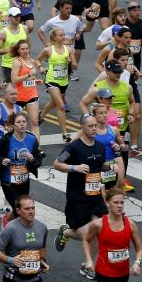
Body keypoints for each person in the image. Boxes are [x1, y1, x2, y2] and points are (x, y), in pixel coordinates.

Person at [52, 113, 110, 273]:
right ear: (82, 128)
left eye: (95, 126)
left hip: (96, 196)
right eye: (90, 126)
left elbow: (99, 165)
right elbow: (56, 164)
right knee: (88, 235)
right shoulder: (73, 147)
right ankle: (67, 232)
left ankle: (87, 265)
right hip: (77, 197)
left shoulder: (99, 146)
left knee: (101, 232)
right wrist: (74, 168)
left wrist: (110, 166)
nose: (94, 129)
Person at [80, 188, 142, 282]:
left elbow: (140, 250)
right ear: (107, 203)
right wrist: (89, 260)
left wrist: (137, 263)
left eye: (122, 202)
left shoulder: (131, 224)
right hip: (105, 271)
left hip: (123, 272)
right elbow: (86, 240)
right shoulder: (98, 224)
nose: (119, 206)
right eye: (116, 202)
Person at [0, 194, 50, 282]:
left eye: (33, 208)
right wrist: (10, 260)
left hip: (35, 281)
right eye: (27, 209)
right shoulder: (10, 228)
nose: (31, 211)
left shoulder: (42, 227)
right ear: (18, 211)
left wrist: (42, 261)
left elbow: (42, 248)